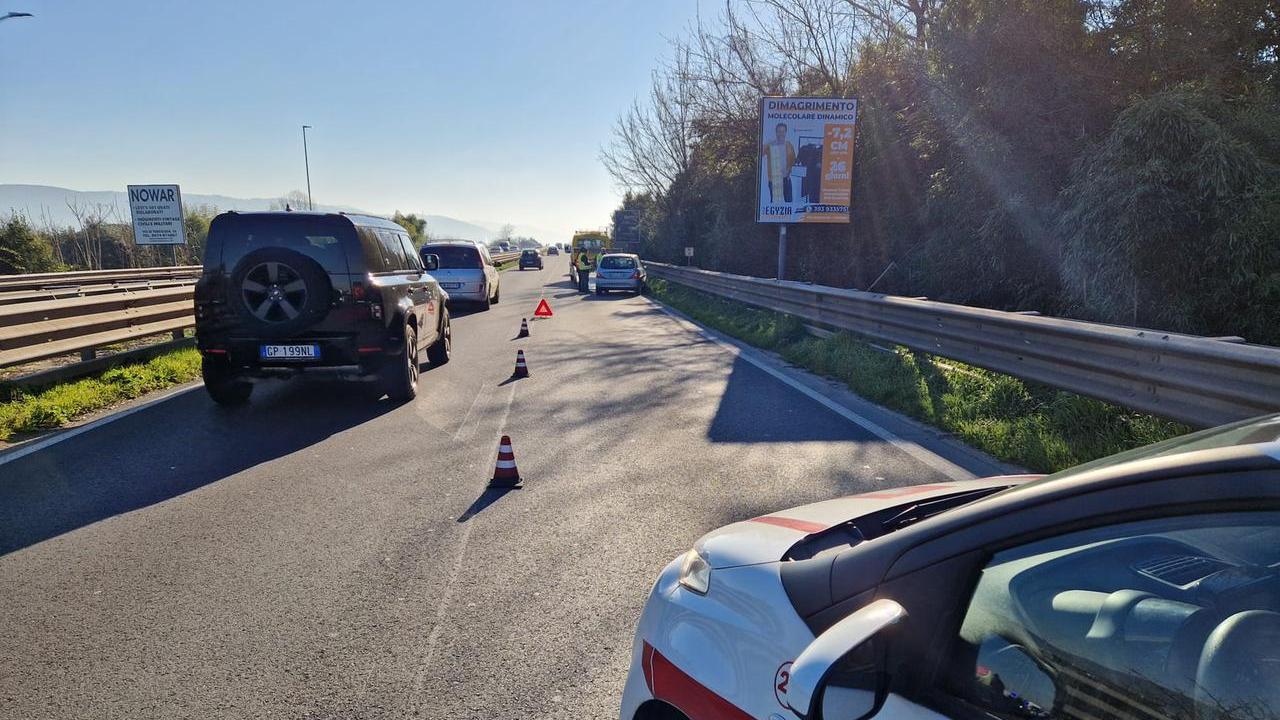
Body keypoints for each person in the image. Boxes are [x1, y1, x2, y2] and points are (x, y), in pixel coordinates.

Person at [762, 122, 796, 204]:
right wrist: (766, 143)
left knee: (789, 204)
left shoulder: (789, 145)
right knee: (776, 205)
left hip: (786, 179)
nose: (781, 134)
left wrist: (790, 171)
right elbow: (760, 154)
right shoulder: (771, 145)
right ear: (776, 132)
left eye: (783, 131)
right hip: (775, 180)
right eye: (779, 131)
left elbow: (794, 160)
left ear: (786, 132)